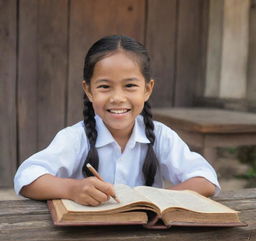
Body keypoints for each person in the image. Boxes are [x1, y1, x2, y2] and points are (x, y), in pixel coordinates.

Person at [14, 35, 220, 206]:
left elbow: (206, 179)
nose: (118, 98)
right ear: (88, 90)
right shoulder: (76, 138)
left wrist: (156, 200)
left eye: (130, 85)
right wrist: (71, 188)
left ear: (148, 89)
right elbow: (27, 177)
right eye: (104, 86)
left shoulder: (161, 136)